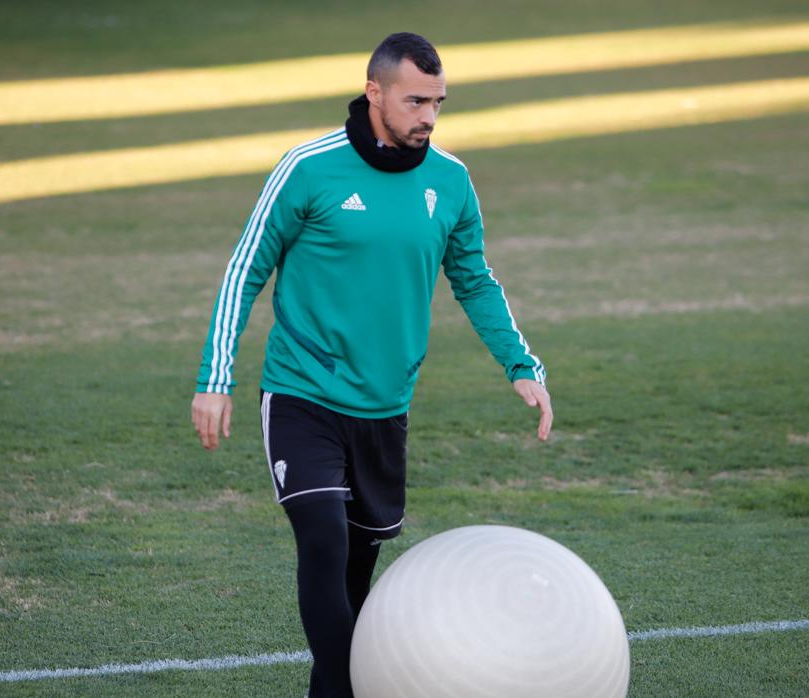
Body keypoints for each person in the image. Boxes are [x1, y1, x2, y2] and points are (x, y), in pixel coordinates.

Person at [191, 32, 552, 698]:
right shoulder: (309, 168)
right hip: (303, 394)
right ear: (374, 92)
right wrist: (216, 380)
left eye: (438, 103)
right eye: (415, 101)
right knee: (323, 541)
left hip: (386, 407)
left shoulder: (450, 180)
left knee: (356, 575)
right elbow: (245, 271)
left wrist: (519, 363)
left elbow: (474, 278)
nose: (429, 117)